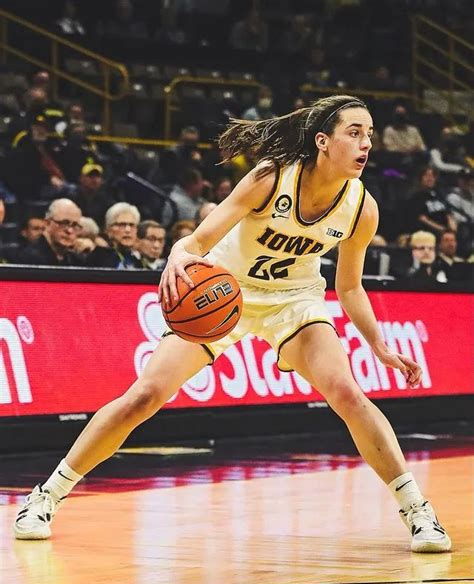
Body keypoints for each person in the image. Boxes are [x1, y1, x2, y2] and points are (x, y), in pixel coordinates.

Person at [13, 95, 451, 553]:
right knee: (144, 396)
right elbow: (199, 239)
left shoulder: (362, 208)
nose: (366, 144)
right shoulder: (270, 177)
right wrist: (179, 255)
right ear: (323, 141)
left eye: (369, 135)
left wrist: (379, 345)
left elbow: (350, 288)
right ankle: (46, 496)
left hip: (294, 300)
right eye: (354, 133)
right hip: (226, 293)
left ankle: (418, 511)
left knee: (347, 393)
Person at [11, 199, 84, 266]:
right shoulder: (28, 258)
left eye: (75, 225)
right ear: (47, 224)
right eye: (63, 223)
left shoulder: (75, 259)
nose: (70, 231)